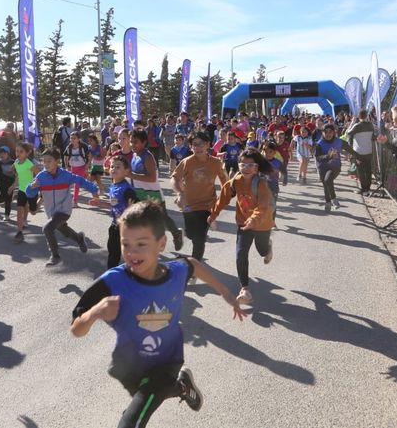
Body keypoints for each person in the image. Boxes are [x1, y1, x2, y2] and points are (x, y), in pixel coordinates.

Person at [70, 200, 246, 428]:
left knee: (131, 421)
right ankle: (182, 386)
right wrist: (95, 312)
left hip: (167, 361)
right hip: (130, 365)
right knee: (146, 396)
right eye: (126, 244)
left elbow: (192, 264)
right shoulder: (112, 281)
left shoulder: (176, 272)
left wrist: (225, 292)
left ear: (161, 243)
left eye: (141, 244)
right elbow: (76, 329)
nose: (132, 252)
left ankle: (173, 382)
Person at [208, 148, 274, 304]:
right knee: (240, 255)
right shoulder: (235, 182)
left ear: (257, 168)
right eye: (243, 165)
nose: (246, 168)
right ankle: (245, 289)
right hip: (243, 224)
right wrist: (213, 214)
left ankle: (268, 247)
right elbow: (222, 199)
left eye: (250, 165)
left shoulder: (261, 183)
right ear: (238, 165)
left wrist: (253, 219)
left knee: (262, 250)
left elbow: (264, 206)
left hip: (262, 224)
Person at [26, 148, 98, 266]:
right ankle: (79, 238)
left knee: (47, 228)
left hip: (64, 209)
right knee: (64, 231)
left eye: (49, 161)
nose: (46, 164)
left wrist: (94, 189)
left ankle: (55, 256)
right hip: (51, 212)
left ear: (57, 161)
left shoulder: (65, 175)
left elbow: (80, 180)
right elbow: (30, 194)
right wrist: (32, 187)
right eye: (44, 161)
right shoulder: (41, 177)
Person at [171, 132, 228, 264]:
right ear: (191, 147)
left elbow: (225, 182)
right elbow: (174, 179)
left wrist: (224, 197)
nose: (198, 147)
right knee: (191, 234)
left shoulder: (215, 163)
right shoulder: (187, 162)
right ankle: (185, 234)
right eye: (195, 145)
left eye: (201, 144)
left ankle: (194, 268)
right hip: (189, 205)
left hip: (208, 205)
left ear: (208, 144)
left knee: (199, 238)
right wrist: (180, 193)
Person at [127, 129, 183, 252]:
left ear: (144, 142)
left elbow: (152, 178)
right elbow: (133, 176)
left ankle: (176, 234)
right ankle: (148, 245)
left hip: (153, 195)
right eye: (131, 142)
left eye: (135, 142)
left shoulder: (148, 157)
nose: (132, 145)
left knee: (164, 219)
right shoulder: (135, 155)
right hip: (139, 194)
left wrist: (131, 175)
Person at [99, 156, 138, 269]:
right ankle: (110, 275)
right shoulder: (114, 185)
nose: (113, 169)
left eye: (118, 167)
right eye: (112, 166)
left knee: (130, 253)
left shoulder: (127, 189)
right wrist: (100, 203)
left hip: (127, 228)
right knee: (113, 251)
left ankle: (137, 275)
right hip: (115, 225)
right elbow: (114, 204)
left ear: (126, 171)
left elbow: (135, 205)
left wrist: (130, 210)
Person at [315, 124, 354, 212]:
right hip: (322, 167)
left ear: (334, 133)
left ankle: (333, 199)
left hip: (335, 166)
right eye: (326, 132)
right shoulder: (319, 144)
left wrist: (358, 156)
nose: (328, 134)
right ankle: (328, 202)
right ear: (322, 133)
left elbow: (349, 149)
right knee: (326, 185)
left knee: (328, 180)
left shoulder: (338, 141)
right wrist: (328, 156)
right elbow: (318, 157)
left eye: (330, 132)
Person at [8, 143, 40, 242]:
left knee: (33, 212)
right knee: (19, 211)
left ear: (27, 153)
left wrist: (36, 183)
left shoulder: (29, 163)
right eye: (17, 151)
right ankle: (19, 232)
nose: (18, 153)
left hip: (31, 190)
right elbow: (19, 176)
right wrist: (13, 186)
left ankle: (41, 200)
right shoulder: (16, 163)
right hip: (22, 191)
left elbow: (39, 174)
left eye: (21, 151)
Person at [344, 110, 376, 194]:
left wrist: (352, 123)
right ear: (366, 115)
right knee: (368, 170)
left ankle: (363, 188)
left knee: (361, 171)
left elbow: (347, 134)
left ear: (359, 116)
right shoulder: (370, 125)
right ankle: (368, 188)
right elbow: (373, 137)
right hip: (368, 151)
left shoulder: (357, 126)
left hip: (358, 152)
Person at [63, 131, 90, 205]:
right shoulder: (69, 147)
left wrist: (87, 165)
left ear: (78, 139)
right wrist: (66, 166)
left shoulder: (83, 146)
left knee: (77, 184)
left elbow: (89, 156)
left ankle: (74, 201)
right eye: (71, 138)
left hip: (81, 167)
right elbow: (65, 156)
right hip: (73, 167)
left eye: (74, 138)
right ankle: (86, 179)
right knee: (73, 182)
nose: (72, 140)